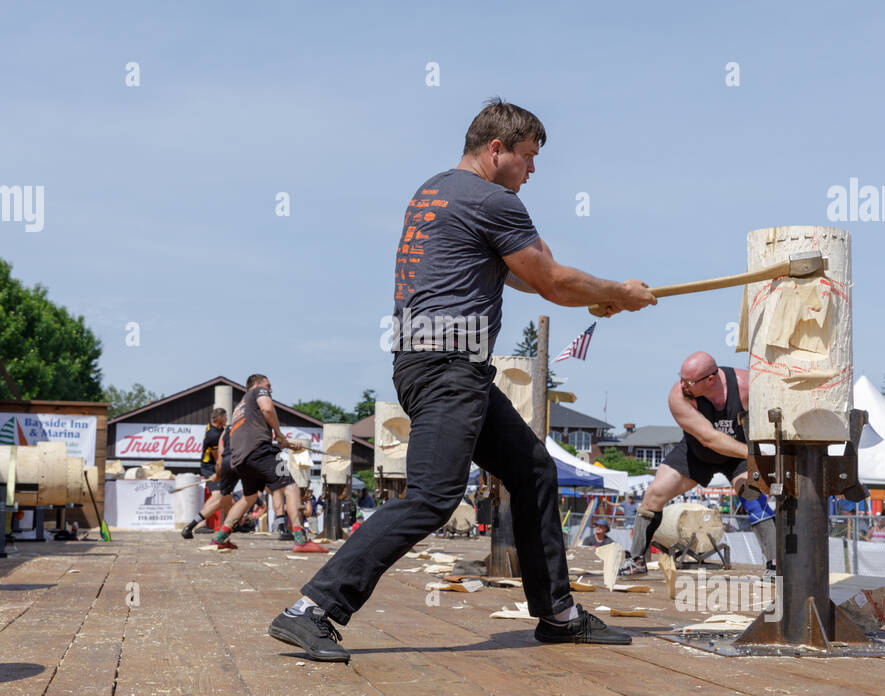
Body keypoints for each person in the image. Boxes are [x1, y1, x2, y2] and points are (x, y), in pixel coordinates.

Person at [267, 98, 657, 661]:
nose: (532, 170)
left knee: (533, 470)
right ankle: (314, 608)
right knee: (432, 498)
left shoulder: (436, 190)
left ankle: (558, 613)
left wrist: (597, 296)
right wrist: (618, 292)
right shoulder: (493, 199)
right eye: (527, 157)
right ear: (496, 150)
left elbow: (527, 273)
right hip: (450, 368)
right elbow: (548, 279)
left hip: (434, 364)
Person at [627, 353, 750, 575]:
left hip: (738, 454)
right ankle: (635, 560)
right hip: (697, 451)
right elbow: (709, 439)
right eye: (681, 378)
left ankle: (774, 565)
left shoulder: (746, 386)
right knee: (654, 494)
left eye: (689, 381)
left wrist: (757, 455)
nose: (682, 385)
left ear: (711, 380)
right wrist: (752, 454)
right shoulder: (679, 395)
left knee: (753, 496)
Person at [210, 375, 324, 553]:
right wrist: (279, 435)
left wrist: (279, 442)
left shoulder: (240, 407)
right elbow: (268, 409)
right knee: (291, 487)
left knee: (249, 497)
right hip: (258, 451)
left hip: (240, 458)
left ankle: (220, 537)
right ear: (256, 385)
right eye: (268, 386)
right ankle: (301, 538)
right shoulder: (257, 391)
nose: (270, 390)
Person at [180, 408, 238, 546]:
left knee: (226, 497)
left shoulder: (214, 428)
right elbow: (217, 457)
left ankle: (230, 525)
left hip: (215, 465)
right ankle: (200, 524)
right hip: (209, 466)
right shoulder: (213, 434)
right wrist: (218, 474)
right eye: (225, 417)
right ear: (219, 418)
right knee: (218, 495)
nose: (226, 419)